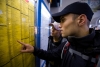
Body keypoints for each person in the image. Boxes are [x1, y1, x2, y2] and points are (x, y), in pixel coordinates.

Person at [18, 2, 100, 67]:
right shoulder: (67, 45)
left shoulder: (97, 55)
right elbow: (50, 55)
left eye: (63, 20)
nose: (59, 25)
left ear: (81, 20)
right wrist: (34, 49)